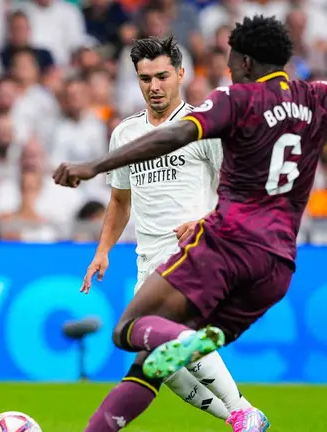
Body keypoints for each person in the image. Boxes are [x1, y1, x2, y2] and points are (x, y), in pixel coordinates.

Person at [53, 15, 327, 432]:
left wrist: (95, 165)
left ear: (247, 62)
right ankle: (231, 405)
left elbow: (177, 134)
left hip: (224, 244)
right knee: (153, 367)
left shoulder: (236, 100)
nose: (227, 69)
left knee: (128, 330)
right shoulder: (321, 97)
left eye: (231, 60)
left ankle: (188, 350)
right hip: (276, 266)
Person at [81, 35, 256, 431]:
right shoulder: (125, 134)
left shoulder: (203, 127)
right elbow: (120, 201)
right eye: (145, 79)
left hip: (196, 253)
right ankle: (241, 416)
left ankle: (241, 412)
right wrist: (102, 251)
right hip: (148, 261)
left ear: (180, 74)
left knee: (170, 338)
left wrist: (205, 222)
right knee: (163, 364)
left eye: (162, 76)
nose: (154, 87)